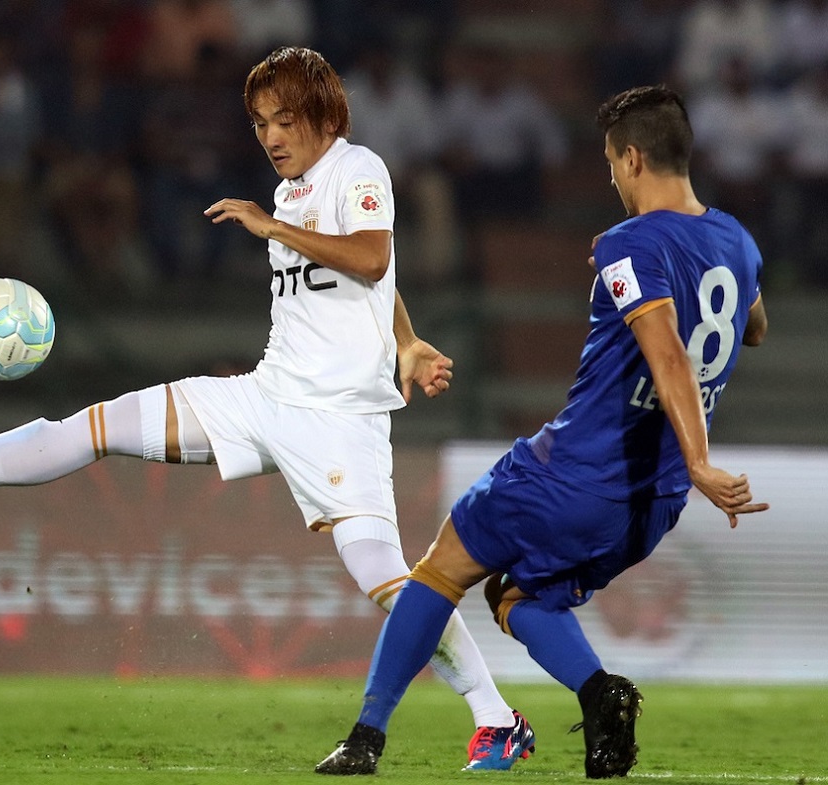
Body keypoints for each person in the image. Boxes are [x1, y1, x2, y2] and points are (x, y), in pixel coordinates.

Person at [0, 46, 533, 771]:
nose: (270, 136)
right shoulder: (292, 192)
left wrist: (276, 233)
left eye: (282, 119)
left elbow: (371, 257)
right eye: (259, 123)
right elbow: (373, 275)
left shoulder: (357, 168)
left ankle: (497, 718)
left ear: (321, 114)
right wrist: (404, 340)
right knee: (96, 426)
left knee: (388, 581)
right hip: (263, 395)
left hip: (338, 420)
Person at [315, 84, 769, 778]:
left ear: (633, 158)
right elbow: (753, 326)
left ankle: (365, 737)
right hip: (654, 501)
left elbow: (668, 354)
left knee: (440, 571)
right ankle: (601, 694)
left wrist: (703, 459)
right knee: (518, 596)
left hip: (573, 473)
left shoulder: (629, 242)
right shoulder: (736, 240)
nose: (612, 179)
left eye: (611, 164)